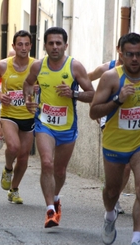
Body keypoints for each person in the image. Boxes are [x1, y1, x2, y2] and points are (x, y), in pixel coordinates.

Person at [89, 33, 140, 245]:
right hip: (115, 143)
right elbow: (94, 111)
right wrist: (118, 100)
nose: (134, 59)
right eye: (129, 54)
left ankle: (136, 241)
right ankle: (110, 214)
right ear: (120, 54)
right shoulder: (111, 78)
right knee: (112, 191)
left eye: (139, 54)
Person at [24, 27, 94, 227]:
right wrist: (29, 100)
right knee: (47, 163)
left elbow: (93, 93)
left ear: (65, 45)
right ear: (45, 45)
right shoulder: (38, 66)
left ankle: (55, 198)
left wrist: (74, 94)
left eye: (58, 43)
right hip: (44, 123)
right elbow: (28, 84)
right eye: (51, 43)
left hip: (67, 126)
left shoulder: (75, 67)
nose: (55, 47)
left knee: (60, 170)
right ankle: (49, 211)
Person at [0, 30, 35, 204]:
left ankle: (14, 189)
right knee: (13, 147)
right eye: (20, 44)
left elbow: (45, 86)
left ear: (30, 45)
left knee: (23, 157)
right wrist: (0, 95)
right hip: (9, 114)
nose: (23, 47)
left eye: (26, 44)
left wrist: (37, 90)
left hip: (28, 115)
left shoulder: (36, 66)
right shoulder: (3, 65)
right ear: (13, 46)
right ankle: (8, 168)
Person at [88, 35, 129, 215]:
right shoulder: (107, 68)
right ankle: (113, 194)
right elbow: (86, 79)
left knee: (126, 166)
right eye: (124, 51)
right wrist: (94, 104)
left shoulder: (138, 71)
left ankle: (115, 195)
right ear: (118, 49)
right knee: (119, 160)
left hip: (129, 120)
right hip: (109, 118)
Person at [0, 49, 16, 150]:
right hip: (0, 101)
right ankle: (0, 136)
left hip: (17, 104)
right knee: (0, 129)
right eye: (9, 57)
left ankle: (11, 147)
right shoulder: (1, 68)